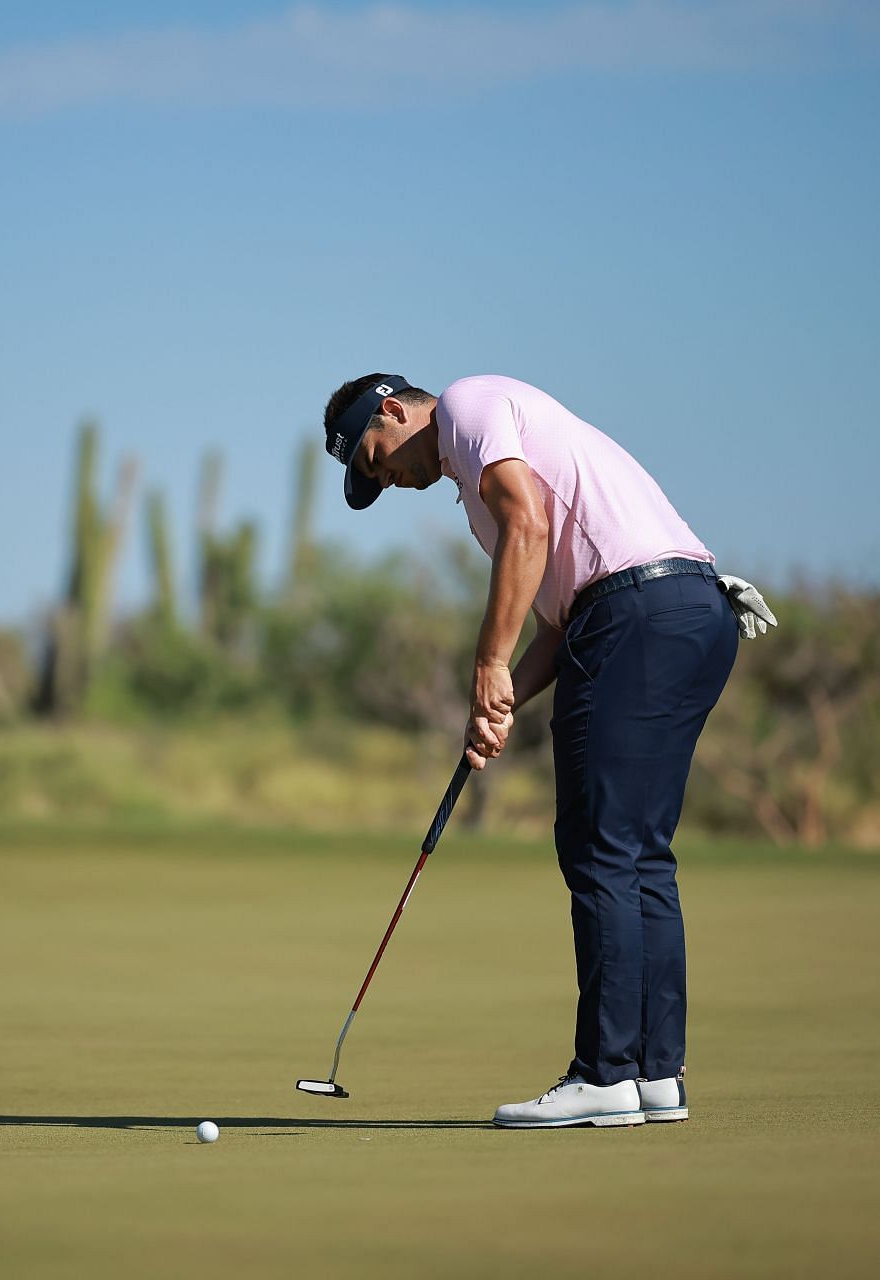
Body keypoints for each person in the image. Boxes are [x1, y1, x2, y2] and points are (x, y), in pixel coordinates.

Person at [321, 372, 775, 1129]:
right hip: (691, 611)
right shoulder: (477, 493)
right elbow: (558, 628)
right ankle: (655, 1075)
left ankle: (603, 1074)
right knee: (639, 854)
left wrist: (487, 665)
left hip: (633, 611)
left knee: (599, 851)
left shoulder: (467, 407)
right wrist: (496, 705)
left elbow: (530, 529)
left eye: (376, 459)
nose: (389, 481)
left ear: (394, 410)